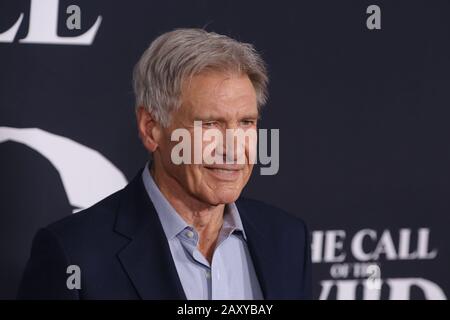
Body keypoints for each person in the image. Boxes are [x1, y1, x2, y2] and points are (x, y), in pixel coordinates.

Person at [18, 28, 311, 300]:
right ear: (151, 128)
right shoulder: (74, 253)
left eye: (246, 123)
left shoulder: (286, 238)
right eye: (210, 124)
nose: (234, 149)